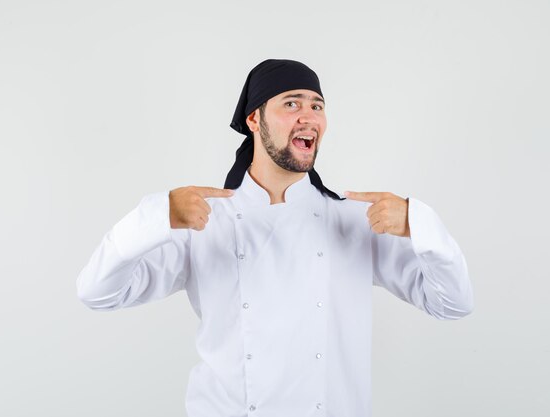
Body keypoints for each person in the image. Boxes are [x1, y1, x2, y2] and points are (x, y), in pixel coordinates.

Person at [76, 58, 474, 417]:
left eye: (317, 106)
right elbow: (98, 293)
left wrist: (419, 224)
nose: (309, 116)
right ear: (254, 119)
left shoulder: (355, 220)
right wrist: (156, 214)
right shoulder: (201, 220)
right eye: (292, 103)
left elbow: (452, 305)